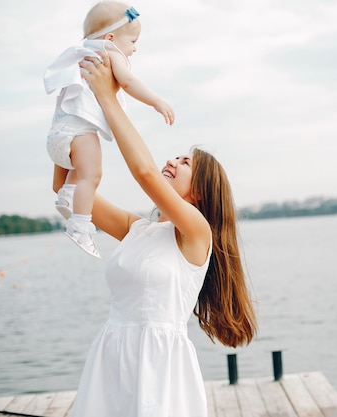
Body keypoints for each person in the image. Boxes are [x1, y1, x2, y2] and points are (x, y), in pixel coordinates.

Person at [58, 51, 256, 417]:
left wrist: (108, 95)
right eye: (175, 156)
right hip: (111, 357)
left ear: (200, 191)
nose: (172, 162)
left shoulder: (198, 233)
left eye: (185, 163)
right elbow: (67, 193)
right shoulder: (138, 230)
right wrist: (72, 118)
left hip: (160, 366)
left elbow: (145, 173)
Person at [44, 1, 174, 258]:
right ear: (112, 37)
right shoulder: (110, 52)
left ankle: (67, 196)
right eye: (133, 42)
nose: (134, 48)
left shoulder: (81, 53)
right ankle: (80, 226)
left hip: (58, 135)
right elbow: (128, 81)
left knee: (82, 172)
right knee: (92, 176)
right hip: (78, 133)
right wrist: (156, 101)